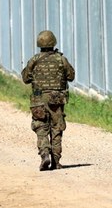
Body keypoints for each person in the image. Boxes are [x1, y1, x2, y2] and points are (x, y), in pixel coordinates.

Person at [22, 30, 75, 171]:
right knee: (56, 128)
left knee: (41, 127)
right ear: (53, 43)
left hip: (38, 98)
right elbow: (71, 76)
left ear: (39, 44)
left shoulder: (34, 59)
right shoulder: (61, 59)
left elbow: (26, 78)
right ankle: (56, 162)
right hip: (56, 99)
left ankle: (44, 154)